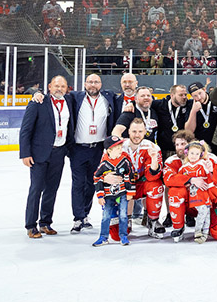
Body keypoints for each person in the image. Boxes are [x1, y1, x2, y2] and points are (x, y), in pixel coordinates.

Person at [66, 74, 118, 234]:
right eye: (90, 82)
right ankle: (77, 218)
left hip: (98, 149)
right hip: (78, 148)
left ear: (101, 84)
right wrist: (37, 94)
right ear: (85, 84)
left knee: (91, 183)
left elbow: (126, 99)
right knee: (78, 183)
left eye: (96, 82)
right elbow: (55, 96)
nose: (93, 85)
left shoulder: (109, 97)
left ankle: (85, 215)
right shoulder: (75, 97)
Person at [20, 75, 71, 239]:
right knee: (36, 189)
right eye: (56, 86)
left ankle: (45, 222)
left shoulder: (69, 102)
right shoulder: (38, 102)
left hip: (59, 152)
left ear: (67, 88)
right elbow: (26, 129)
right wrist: (25, 153)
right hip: (39, 154)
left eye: (62, 86)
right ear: (49, 87)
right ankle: (31, 225)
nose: (59, 89)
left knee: (52, 189)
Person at [91, 136, 136, 247]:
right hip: (108, 195)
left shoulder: (125, 161)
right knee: (106, 216)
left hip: (122, 193)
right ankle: (103, 237)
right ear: (109, 151)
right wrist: (100, 196)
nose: (121, 150)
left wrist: (130, 192)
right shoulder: (104, 164)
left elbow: (131, 175)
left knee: (123, 215)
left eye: (121, 147)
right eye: (117, 148)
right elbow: (96, 178)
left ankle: (123, 236)